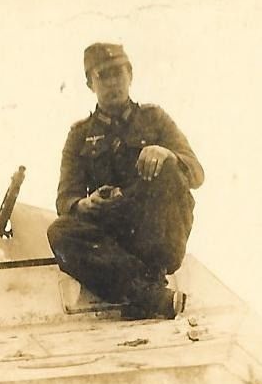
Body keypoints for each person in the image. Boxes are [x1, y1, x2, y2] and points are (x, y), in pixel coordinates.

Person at [47, 42, 205, 319]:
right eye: (102, 76)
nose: (112, 83)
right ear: (89, 83)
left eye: (118, 73)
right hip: (112, 236)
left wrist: (167, 154)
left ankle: (144, 284)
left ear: (130, 74)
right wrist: (85, 204)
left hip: (155, 231)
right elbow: (65, 199)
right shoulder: (80, 135)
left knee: (169, 170)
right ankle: (148, 293)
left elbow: (196, 173)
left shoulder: (155, 119)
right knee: (59, 231)